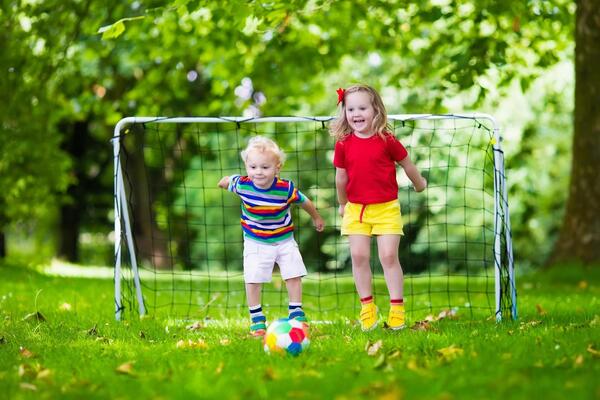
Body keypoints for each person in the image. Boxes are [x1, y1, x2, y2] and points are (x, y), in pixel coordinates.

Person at [330, 84, 427, 331]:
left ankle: (397, 309)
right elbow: (341, 179)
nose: (356, 113)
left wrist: (419, 184)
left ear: (376, 111)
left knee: (388, 256)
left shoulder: (387, 140)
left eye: (362, 108)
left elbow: (408, 165)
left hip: (386, 209)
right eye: (351, 109)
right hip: (357, 210)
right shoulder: (343, 144)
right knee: (359, 256)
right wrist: (342, 204)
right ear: (345, 113)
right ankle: (367, 307)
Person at [218, 136, 324, 337]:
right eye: (253, 167)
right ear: (247, 167)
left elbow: (304, 202)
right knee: (253, 278)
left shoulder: (285, 188)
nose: (258, 172)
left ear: (277, 168)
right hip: (255, 242)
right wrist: (222, 183)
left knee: (293, 274)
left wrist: (316, 217)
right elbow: (226, 181)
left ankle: (296, 314)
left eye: (265, 167)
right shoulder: (242, 184)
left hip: (284, 240)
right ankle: (257, 320)